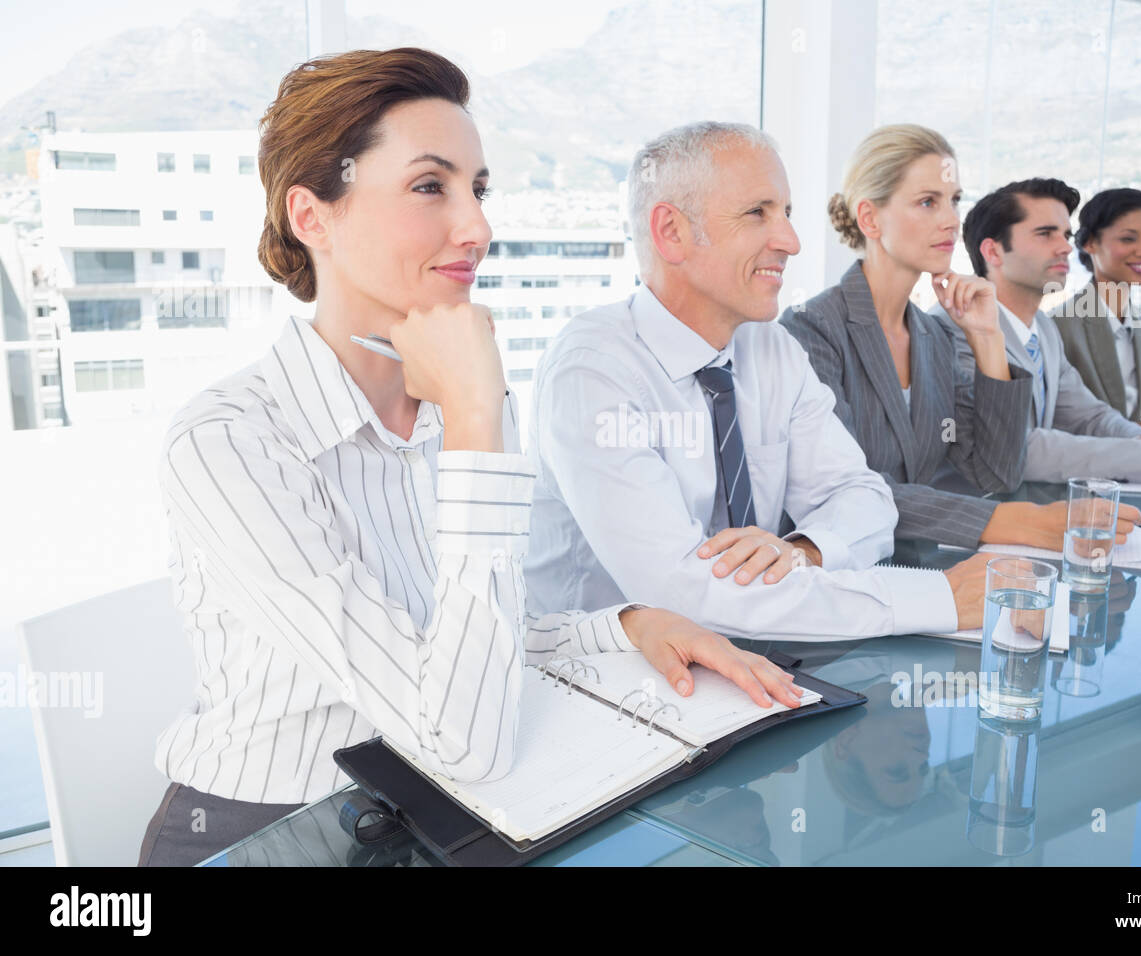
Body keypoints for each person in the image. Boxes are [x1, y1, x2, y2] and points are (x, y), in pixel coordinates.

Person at [138, 50, 799, 868]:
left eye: (477, 190)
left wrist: (626, 625)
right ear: (313, 216)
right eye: (430, 186)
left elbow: (473, 643)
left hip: (420, 813)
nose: (477, 226)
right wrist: (478, 424)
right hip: (268, 834)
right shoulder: (231, 442)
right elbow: (460, 738)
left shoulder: (460, 404)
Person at [525, 121, 998, 644]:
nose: (791, 242)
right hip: (608, 688)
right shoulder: (592, 371)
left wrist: (803, 551)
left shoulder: (771, 350)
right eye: (758, 213)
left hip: (756, 668)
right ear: (671, 232)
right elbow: (680, 592)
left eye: (788, 213)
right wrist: (938, 600)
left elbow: (866, 499)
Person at [781, 124, 1124, 552]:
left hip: (917, 565)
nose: (950, 220)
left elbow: (997, 472)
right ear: (870, 218)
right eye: (928, 202)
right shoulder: (811, 329)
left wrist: (988, 340)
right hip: (834, 575)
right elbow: (847, 491)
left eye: (954, 200)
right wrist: (1012, 521)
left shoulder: (936, 335)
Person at [936, 177, 1141, 485]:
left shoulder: (1043, 329)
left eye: (1066, 234)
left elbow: (1089, 417)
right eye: (1045, 234)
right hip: (970, 512)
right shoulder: (955, 326)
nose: (1066, 247)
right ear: (994, 252)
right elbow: (1014, 447)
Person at [1051, 187, 1141, 434]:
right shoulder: (1059, 327)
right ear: (1090, 243)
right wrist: (1136, 430)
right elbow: (1052, 423)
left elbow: (1126, 414)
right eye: (1128, 239)